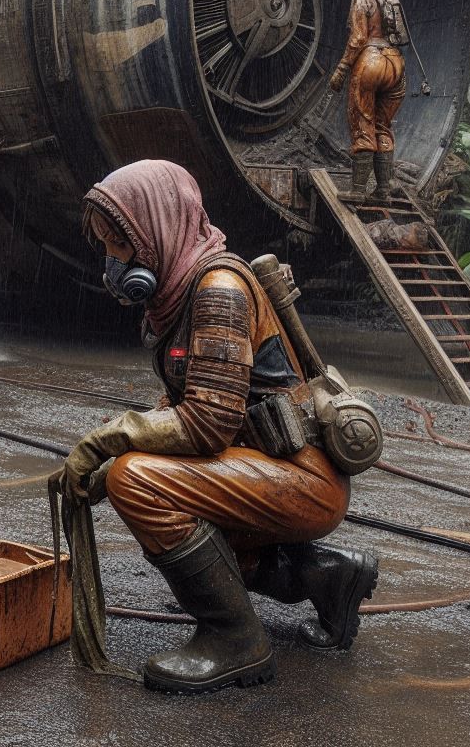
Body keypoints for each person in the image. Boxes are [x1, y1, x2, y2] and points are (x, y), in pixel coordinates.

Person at [62, 160, 377, 694]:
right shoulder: (178, 292)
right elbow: (185, 400)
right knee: (160, 497)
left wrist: (109, 441)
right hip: (263, 468)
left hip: (300, 478)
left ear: (157, 226)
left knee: (136, 482)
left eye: (121, 245)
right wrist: (113, 448)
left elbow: (207, 423)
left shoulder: (220, 291)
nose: (114, 262)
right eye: (107, 247)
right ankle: (327, 576)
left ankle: (235, 640)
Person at [328, 0, 407, 203]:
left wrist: (342, 68)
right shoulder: (393, 0)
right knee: (383, 125)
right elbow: (401, 36)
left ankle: (358, 191)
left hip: (371, 61)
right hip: (396, 64)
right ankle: (383, 189)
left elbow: (358, 38)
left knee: (363, 122)